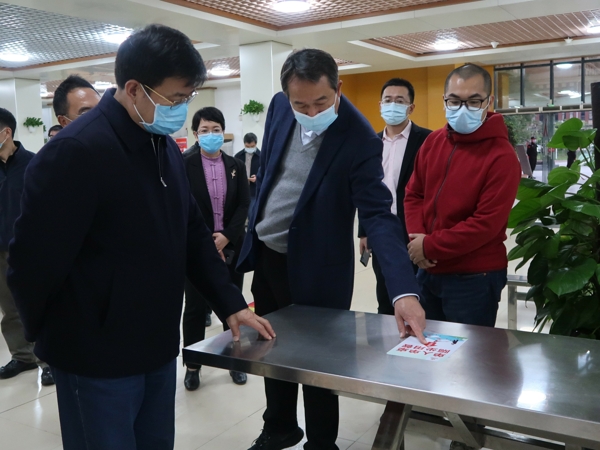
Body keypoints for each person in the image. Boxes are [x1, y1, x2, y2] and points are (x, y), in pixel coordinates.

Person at [7, 24, 274, 450]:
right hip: (96, 353)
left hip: (156, 344)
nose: (181, 109)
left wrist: (231, 304)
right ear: (134, 89)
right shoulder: (77, 151)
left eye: (187, 98)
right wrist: (52, 338)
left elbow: (192, 233)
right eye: (175, 99)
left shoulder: (162, 145)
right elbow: (32, 261)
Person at [237, 48, 425, 450]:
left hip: (318, 269)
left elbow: (378, 215)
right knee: (272, 348)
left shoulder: (358, 137)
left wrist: (403, 291)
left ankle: (322, 442)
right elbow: (269, 170)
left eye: (321, 102)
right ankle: (279, 427)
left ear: (338, 88)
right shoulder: (280, 107)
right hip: (269, 256)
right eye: (301, 104)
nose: (311, 111)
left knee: (318, 362)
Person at [182, 107, 250, 389]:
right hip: (196, 248)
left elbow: (244, 204)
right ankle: (193, 365)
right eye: (205, 130)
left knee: (231, 303)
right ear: (195, 134)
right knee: (195, 308)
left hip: (231, 246)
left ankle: (234, 361)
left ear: (223, 132)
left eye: (216, 130)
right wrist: (208, 241)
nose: (211, 135)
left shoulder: (236, 165)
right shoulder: (184, 164)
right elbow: (184, 206)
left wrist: (226, 237)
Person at [358, 78, 431, 316]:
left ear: (411, 107)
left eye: (399, 101)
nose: (392, 105)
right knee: (385, 291)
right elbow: (364, 189)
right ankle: (388, 332)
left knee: (419, 290)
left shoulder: (427, 140)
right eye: (388, 100)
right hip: (381, 228)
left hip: (415, 228)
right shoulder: (370, 143)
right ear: (380, 105)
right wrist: (364, 231)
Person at [0, 108, 53, 386]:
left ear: (6, 132)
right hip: (0, 251)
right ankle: (22, 357)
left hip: (28, 249)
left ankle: (48, 361)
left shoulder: (34, 163)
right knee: (10, 309)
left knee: (36, 306)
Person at [235, 132, 261, 215]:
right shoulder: (238, 156)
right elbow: (233, 172)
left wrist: (258, 177)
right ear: (244, 144)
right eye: (247, 146)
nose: (250, 148)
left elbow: (266, 172)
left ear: (256, 144)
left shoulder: (262, 157)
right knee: (240, 213)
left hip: (254, 190)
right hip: (241, 189)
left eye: (252, 146)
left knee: (252, 213)